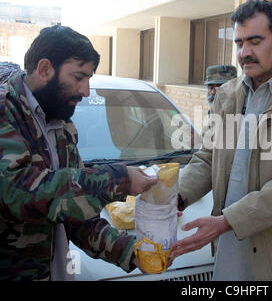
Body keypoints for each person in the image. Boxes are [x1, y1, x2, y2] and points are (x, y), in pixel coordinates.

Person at [169, 0, 272, 281]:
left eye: (255, 41)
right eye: (239, 43)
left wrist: (228, 222)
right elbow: (208, 157)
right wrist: (177, 196)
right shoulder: (227, 94)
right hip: (226, 243)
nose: (244, 52)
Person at [0, 25, 156, 280]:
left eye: (89, 80)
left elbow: (73, 211)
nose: (85, 91)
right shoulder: (6, 113)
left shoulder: (62, 126)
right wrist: (120, 179)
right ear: (45, 69)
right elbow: (18, 194)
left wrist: (130, 251)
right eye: (78, 77)